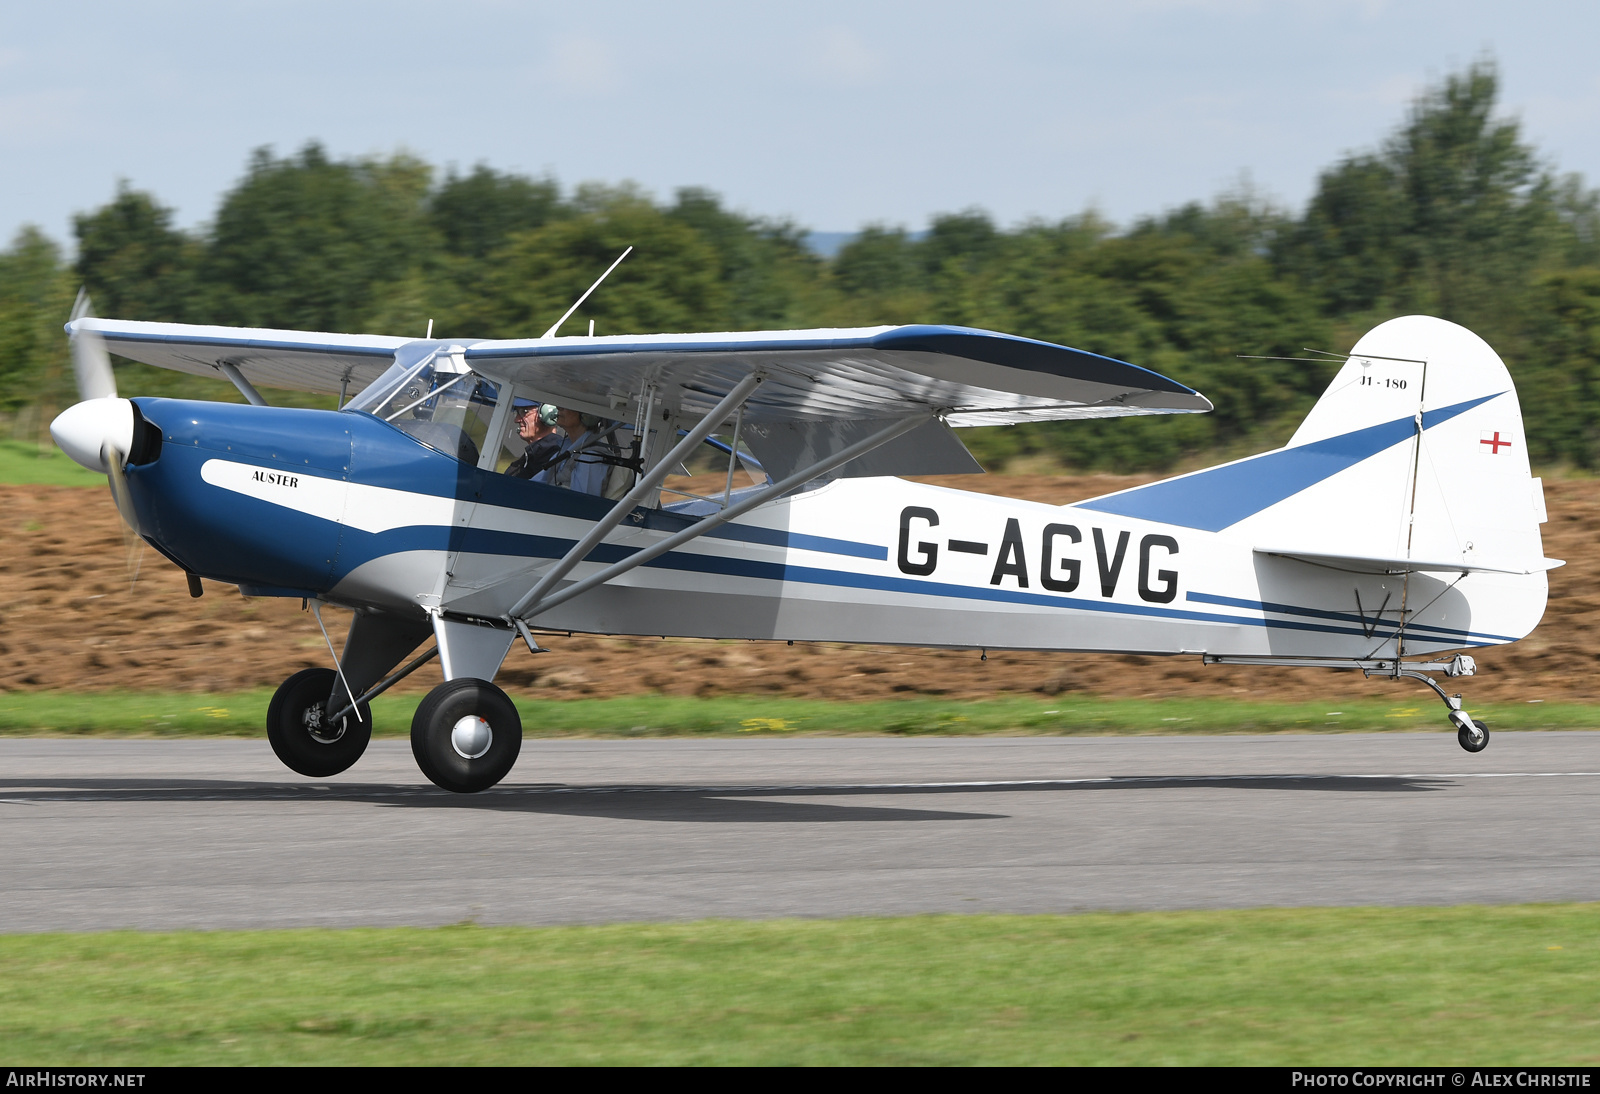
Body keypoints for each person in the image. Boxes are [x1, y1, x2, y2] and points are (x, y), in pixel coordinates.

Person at [536, 407, 612, 495]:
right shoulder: (564, 451)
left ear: (588, 415)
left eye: (568, 405)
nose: (558, 407)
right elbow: (534, 484)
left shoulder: (590, 458)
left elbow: (581, 503)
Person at [503, 402, 562, 479]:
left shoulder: (556, 457)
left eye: (524, 412)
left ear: (547, 412)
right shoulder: (524, 462)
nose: (516, 420)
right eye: (517, 413)